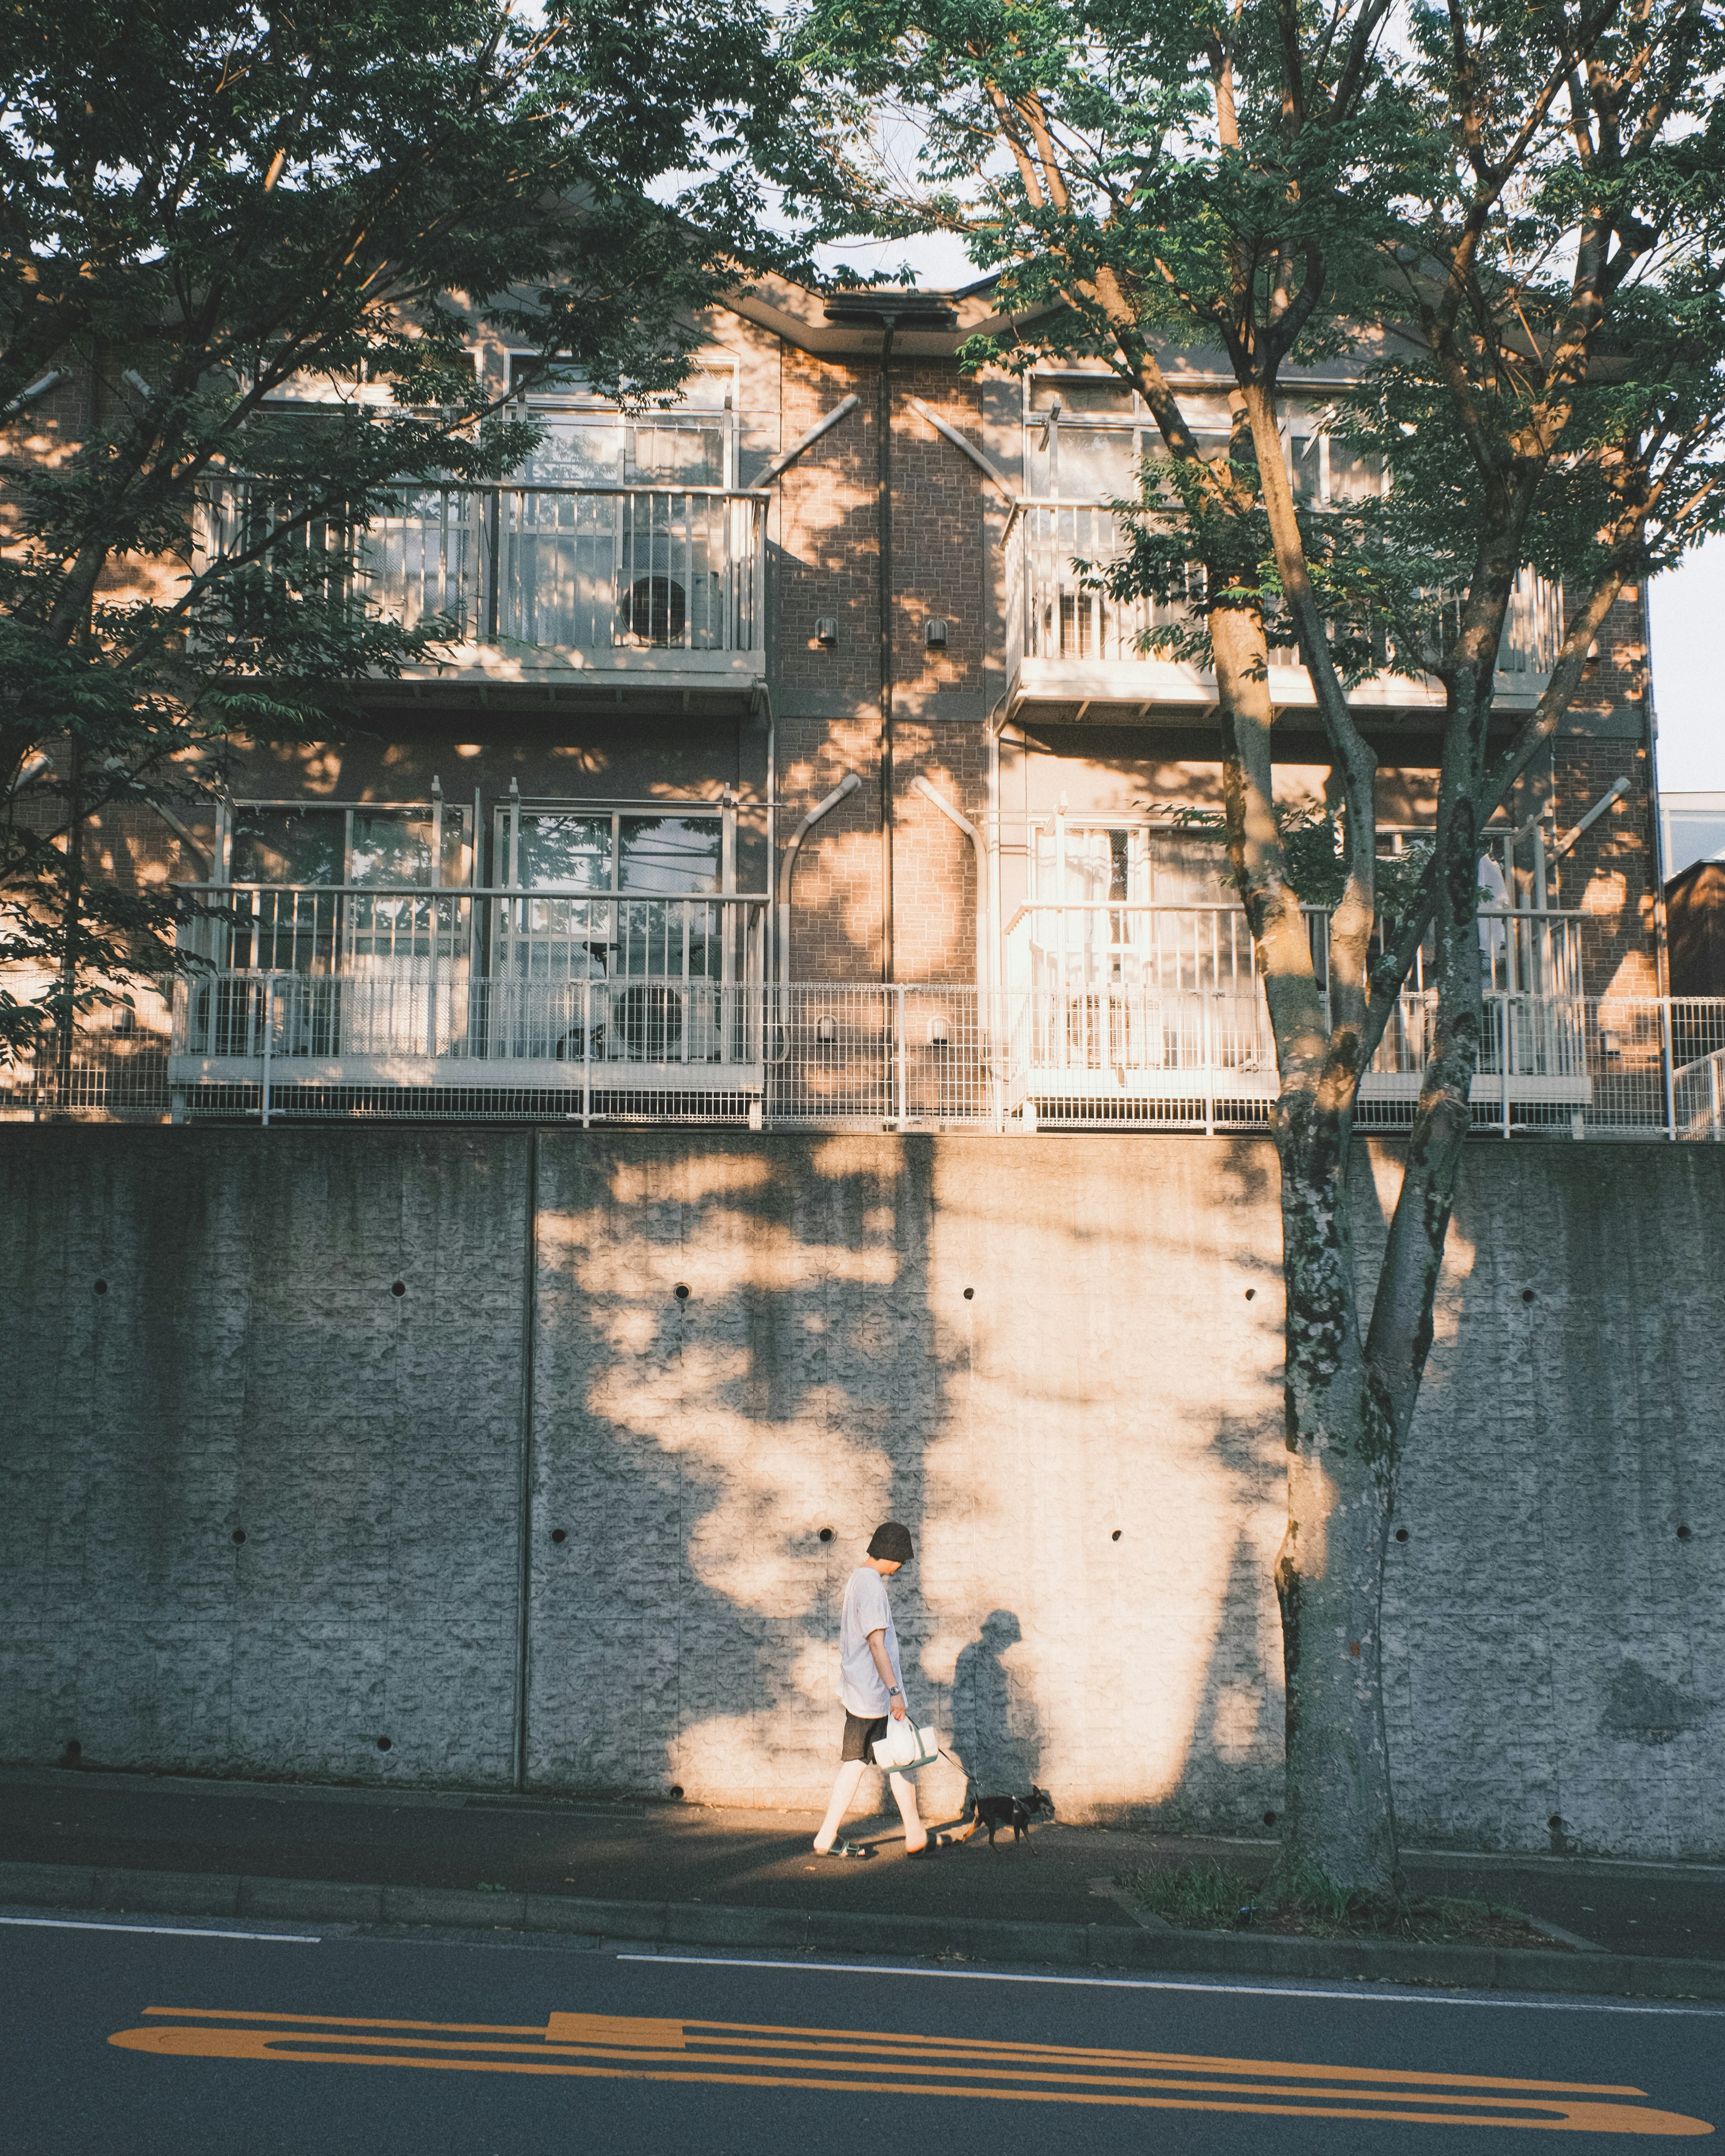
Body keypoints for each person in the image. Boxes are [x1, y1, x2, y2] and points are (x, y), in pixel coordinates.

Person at [812, 1521, 935, 1860]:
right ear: (892, 1556)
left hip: (861, 1691)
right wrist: (895, 1691)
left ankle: (911, 1833)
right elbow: (877, 1645)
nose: (901, 1567)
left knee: (874, 1760)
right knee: (893, 1759)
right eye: (902, 1560)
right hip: (876, 1695)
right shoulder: (872, 1588)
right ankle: (911, 1833)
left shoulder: (858, 1579)